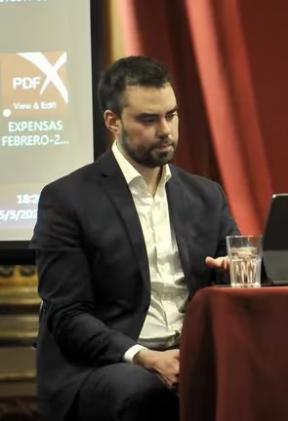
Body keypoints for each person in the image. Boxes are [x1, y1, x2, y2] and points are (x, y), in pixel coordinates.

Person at [30, 56, 238, 421]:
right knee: (143, 390)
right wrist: (144, 356)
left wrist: (231, 270)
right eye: (149, 119)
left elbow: (236, 265)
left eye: (171, 115)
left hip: (190, 350)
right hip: (106, 362)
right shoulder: (67, 200)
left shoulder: (206, 196)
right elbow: (67, 316)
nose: (166, 130)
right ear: (113, 122)